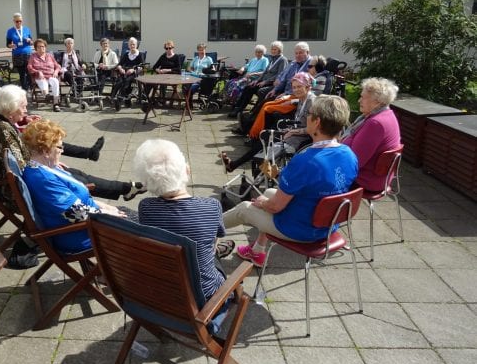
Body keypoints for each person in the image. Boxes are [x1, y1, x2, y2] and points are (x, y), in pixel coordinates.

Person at [223, 95, 358, 267]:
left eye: (309, 114)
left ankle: (199, 227)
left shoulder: (306, 160)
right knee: (269, 192)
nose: (306, 118)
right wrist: (267, 200)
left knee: (244, 208)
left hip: (302, 230)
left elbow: (275, 207)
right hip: (328, 224)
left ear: (317, 122)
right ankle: (257, 252)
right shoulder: (349, 154)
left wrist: (262, 203)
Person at [0, 85, 146, 204]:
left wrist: (25, 122)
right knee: (76, 178)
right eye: (23, 106)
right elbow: (20, 163)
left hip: (21, 180)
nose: (26, 110)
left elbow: (19, 150)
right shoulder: (2, 129)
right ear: (11, 108)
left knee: (74, 171)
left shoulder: (0, 122)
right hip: (16, 190)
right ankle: (125, 188)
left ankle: (126, 188)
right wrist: (46, 163)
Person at [133, 139, 232, 300]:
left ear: (147, 182)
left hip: (163, 293)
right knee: (211, 249)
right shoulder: (212, 206)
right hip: (206, 297)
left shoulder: (146, 207)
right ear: (187, 170)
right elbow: (215, 240)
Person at [22, 120, 127, 254]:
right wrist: (108, 214)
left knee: (139, 219)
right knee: (145, 231)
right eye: (59, 147)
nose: (62, 151)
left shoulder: (43, 167)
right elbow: (76, 213)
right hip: (81, 234)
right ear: (46, 151)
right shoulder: (43, 179)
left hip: (89, 223)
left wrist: (105, 207)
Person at [220, 72, 315, 172]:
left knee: (261, 153)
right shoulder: (302, 99)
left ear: (308, 87)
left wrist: (292, 131)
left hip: (300, 139)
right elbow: (299, 112)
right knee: (263, 138)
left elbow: (312, 129)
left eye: (299, 87)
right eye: (294, 87)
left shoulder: (312, 103)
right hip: (293, 132)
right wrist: (291, 101)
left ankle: (271, 175)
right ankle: (236, 166)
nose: (296, 90)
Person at [341, 78, 401, 192]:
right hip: (377, 178)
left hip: (365, 180)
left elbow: (354, 162)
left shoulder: (375, 123)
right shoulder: (387, 113)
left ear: (377, 102)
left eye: (363, 97)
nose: (359, 100)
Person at [229, 41, 288, 118]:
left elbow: (279, 75)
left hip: (272, 83)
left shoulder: (282, 60)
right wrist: (257, 80)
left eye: (275, 49)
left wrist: (265, 82)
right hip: (263, 81)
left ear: (279, 50)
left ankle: (254, 112)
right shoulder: (272, 59)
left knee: (258, 90)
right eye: (272, 49)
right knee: (248, 87)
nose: (273, 51)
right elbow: (265, 72)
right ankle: (238, 109)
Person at [226, 44, 268, 114]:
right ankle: (232, 101)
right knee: (230, 82)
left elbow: (264, 71)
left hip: (254, 79)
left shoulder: (265, 60)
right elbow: (246, 66)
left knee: (237, 85)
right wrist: (242, 68)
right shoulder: (253, 59)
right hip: (245, 77)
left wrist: (253, 74)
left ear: (263, 53)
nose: (258, 53)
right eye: (256, 52)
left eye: (260, 52)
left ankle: (236, 105)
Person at [27, 39, 62, 112]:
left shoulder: (50, 56)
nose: (41, 48)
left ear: (45, 47)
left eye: (43, 46)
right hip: (40, 77)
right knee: (43, 82)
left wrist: (56, 71)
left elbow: (58, 66)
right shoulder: (33, 56)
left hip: (51, 75)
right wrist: (38, 72)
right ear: (36, 48)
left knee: (55, 81)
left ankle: (55, 104)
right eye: (39, 47)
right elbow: (29, 67)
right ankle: (47, 95)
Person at [111, 37, 144, 102]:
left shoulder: (140, 55)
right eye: (130, 44)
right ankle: (113, 97)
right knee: (119, 82)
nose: (132, 46)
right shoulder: (126, 54)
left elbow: (142, 66)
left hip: (135, 74)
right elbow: (119, 64)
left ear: (136, 45)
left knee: (126, 80)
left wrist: (133, 70)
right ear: (128, 46)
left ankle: (123, 96)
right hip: (125, 72)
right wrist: (120, 68)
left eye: (133, 44)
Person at [6, 12, 34, 89]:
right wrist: (11, 45)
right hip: (17, 55)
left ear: (22, 21)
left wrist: (29, 41)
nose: (18, 23)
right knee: (22, 74)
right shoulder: (10, 31)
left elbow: (32, 42)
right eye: (17, 21)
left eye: (20, 21)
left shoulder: (26, 29)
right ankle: (25, 90)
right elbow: (8, 44)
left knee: (29, 72)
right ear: (14, 21)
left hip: (27, 54)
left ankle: (32, 88)